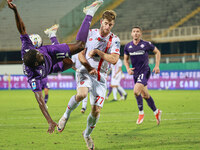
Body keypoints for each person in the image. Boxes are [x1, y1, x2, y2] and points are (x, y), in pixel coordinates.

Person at [8, 0, 102, 133]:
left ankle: (89, 12)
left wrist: (15, 10)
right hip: (51, 67)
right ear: (36, 64)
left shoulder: (28, 48)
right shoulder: (33, 76)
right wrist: (50, 121)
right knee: (70, 62)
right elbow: (40, 101)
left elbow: (21, 28)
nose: (39, 52)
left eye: (38, 51)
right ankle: (52, 35)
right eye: (39, 56)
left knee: (80, 46)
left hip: (51, 51)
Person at [57, 8, 120, 150]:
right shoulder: (90, 34)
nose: (107, 27)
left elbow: (114, 59)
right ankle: (65, 116)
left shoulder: (114, 40)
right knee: (82, 94)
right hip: (85, 71)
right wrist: (87, 65)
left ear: (113, 25)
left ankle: (86, 134)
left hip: (101, 77)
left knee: (96, 110)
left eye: (110, 25)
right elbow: (80, 55)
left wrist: (98, 52)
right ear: (101, 22)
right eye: (105, 23)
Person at [124, 26, 162, 125]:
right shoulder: (128, 46)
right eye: (134, 31)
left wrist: (157, 66)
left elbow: (157, 52)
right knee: (145, 95)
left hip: (145, 71)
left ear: (140, 34)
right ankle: (156, 111)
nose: (136, 33)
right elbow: (125, 59)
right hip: (135, 73)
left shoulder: (146, 44)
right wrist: (128, 68)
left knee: (136, 91)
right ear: (131, 34)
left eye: (137, 31)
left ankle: (141, 113)